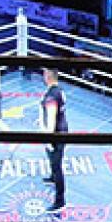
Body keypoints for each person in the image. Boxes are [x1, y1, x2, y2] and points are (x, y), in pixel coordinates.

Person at [39, 66, 70, 210]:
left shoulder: (51, 95)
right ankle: (52, 177)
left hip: (55, 134)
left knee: (57, 166)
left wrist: (48, 138)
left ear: (48, 75)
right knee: (54, 162)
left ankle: (60, 200)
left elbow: (51, 118)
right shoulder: (59, 90)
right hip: (62, 130)